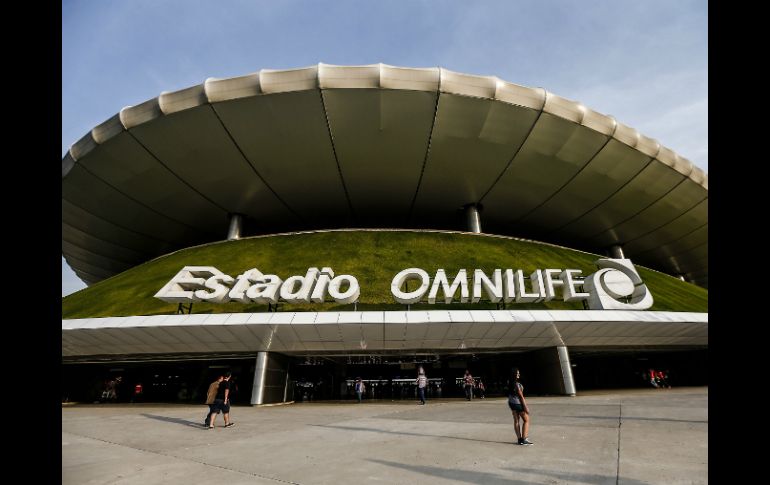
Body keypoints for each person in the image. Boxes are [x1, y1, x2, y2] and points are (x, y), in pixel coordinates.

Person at [508, 368, 533, 445]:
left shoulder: (510, 383)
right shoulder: (517, 384)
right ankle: (524, 439)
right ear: (514, 374)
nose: (519, 374)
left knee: (516, 421)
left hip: (511, 403)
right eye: (517, 373)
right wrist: (525, 407)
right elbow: (521, 396)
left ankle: (519, 440)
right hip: (518, 403)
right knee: (526, 420)